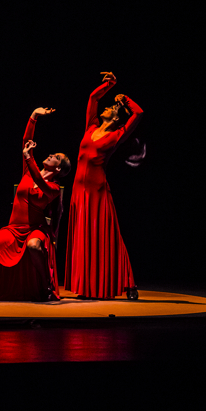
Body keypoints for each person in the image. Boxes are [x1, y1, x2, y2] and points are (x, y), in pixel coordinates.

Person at [0, 107, 71, 304]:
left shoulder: (53, 188)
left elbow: (39, 182)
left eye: (55, 157)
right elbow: (26, 142)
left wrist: (28, 157)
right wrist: (33, 117)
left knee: (33, 245)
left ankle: (45, 286)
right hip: (14, 229)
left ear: (58, 168)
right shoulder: (28, 171)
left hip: (35, 229)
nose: (50, 155)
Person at [64, 72, 143, 299]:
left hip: (97, 191)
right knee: (83, 237)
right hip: (79, 192)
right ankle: (87, 285)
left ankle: (128, 282)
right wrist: (109, 84)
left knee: (105, 237)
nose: (106, 109)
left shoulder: (118, 134)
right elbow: (93, 98)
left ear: (117, 117)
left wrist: (125, 99)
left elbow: (139, 113)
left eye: (111, 108)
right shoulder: (91, 127)